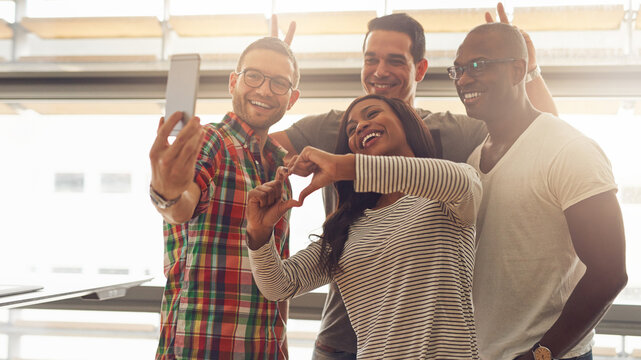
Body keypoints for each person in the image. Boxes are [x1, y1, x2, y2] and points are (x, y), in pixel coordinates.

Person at [269, 4, 557, 358]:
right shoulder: (334, 126)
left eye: (394, 61)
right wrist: (271, 69)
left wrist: (524, 70)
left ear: (420, 68)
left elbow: (538, 134)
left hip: (430, 338)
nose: (379, 71)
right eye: (370, 59)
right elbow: (254, 148)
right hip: (340, 340)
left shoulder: (451, 131)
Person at [246, 94, 483, 359]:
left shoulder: (446, 197)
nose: (359, 126)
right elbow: (279, 285)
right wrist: (259, 233)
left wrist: (345, 166)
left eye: (372, 114)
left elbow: (461, 181)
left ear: (406, 122)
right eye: (351, 128)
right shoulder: (348, 228)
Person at [450, 22, 628, 360]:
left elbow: (610, 272)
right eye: (457, 70)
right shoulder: (475, 158)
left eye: (478, 66)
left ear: (518, 70)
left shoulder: (569, 149)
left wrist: (541, 354)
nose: (462, 79)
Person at [148, 37, 300, 359]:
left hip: (265, 350)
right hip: (199, 349)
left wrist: (282, 347)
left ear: (292, 98)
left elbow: (277, 275)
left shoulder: (280, 172)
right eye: (253, 76)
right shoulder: (212, 141)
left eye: (279, 83)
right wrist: (167, 192)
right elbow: (182, 205)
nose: (264, 90)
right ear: (234, 82)